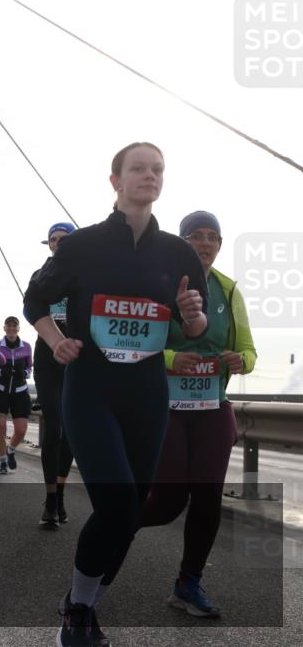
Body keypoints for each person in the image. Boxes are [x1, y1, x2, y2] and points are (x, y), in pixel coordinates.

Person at [24, 142, 208, 647]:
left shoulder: (178, 253)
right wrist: (56, 341)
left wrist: (192, 315)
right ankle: (78, 611)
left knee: (130, 511)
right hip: (91, 390)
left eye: (158, 169)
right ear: (115, 181)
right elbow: (35, 300)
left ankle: (83, 605)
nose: (150, 176)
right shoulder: (82, 245)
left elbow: (195, 328)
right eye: (139, 168)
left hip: (147, 393)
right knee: (119, 504)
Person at [140, 211, 256, 618]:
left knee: (208, 499)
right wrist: (172, 358)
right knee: (168, 501)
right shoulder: (158, 284)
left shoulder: (228, 289)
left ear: (219, 244)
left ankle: (188, 584)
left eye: (212, 237)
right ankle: (113, 529)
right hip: (165, 406)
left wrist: (240, 361)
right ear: (181, 241)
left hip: (212, 406)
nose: (205, 243)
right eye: (196, 236)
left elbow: (249, 351)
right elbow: (139, 345)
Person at [33, 222, 78, 527]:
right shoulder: (41, 275)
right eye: (53, 239)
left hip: (77, 359)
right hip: (47, 358)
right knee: (53, 428)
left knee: (71, 431)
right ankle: (50, 499)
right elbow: (31, 308)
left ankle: (60, 492)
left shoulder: (88, 275)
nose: (58, 243)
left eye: (64, 239)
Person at [0, 317, 33, 475]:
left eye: (14, 326)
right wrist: (0, 372)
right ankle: (3, 462)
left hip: (20, 392)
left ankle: (11, 450)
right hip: (0, 391)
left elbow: (30, 369)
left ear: (18, 328)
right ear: (4, 328)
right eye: (9, 326)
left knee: (21, 430)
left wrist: (24, 373)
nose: (12, 328)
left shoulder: (27, 346)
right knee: (0, 427)